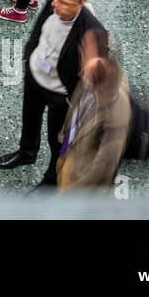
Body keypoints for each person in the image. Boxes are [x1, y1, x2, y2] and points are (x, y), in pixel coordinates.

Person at [0, 0, 103, 189]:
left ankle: (52, 179)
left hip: (60, 93)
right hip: (36, 77)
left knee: (58, 139)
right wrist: (29, 56)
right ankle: (26, 153)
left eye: (64, 3)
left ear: (81, 3)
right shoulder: (52, 1)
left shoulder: (93, 32)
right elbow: (38, 32)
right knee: (30, 120)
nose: (56, 5)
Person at [57, 28, 131, 190]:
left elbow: (104, 166)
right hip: (69, 153)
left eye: (86, 53)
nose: (81, 56)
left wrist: (73, 190)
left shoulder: (115, 115)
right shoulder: (91, 78)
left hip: (80, 180)